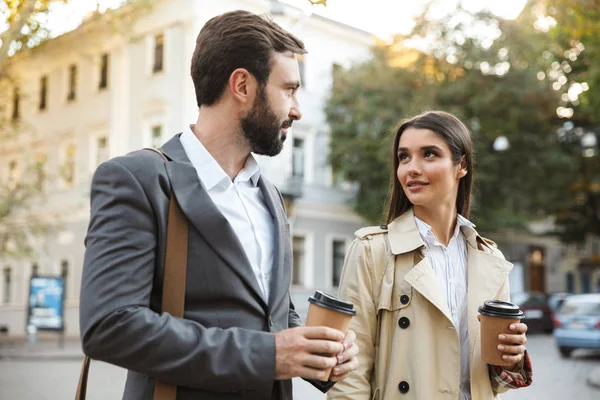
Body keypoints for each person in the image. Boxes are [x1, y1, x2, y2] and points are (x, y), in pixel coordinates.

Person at [80, 10, 358, 400]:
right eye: (289, 90)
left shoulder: (270, 195)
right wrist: (268, 355)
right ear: (242, 85)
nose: (297, 109)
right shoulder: (137, 179)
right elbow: (110, 326)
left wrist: (316, 353)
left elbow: (268, 313)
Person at [327, 111, 532, 400]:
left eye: (429, 154)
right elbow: (349, 373)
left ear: (461, 166)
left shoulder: (489, 259)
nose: (412, 168)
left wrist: (510, 359)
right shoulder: (371, 251)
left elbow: (490, 382)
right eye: (404, 157)